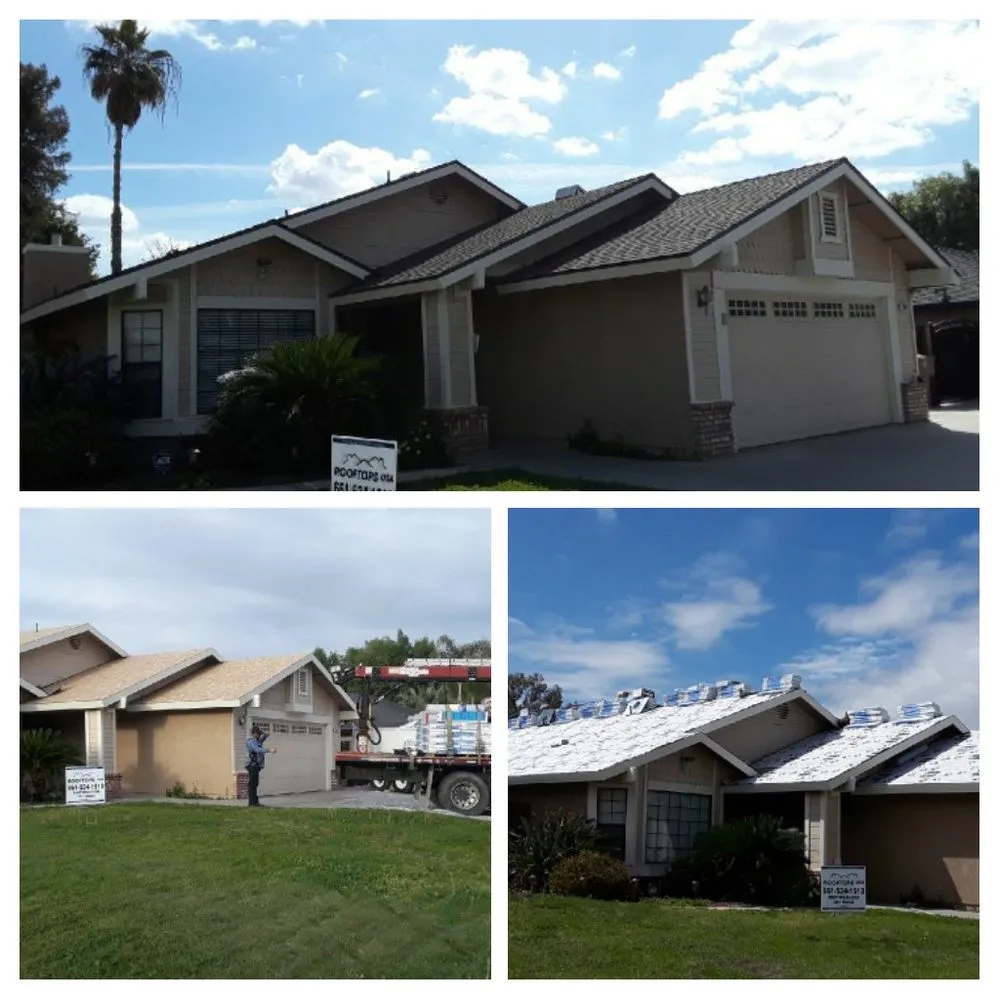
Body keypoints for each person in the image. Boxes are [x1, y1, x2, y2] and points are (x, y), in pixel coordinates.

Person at [245, 725, 276, 807]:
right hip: (252, 765)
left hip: (256, 766)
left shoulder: (257, 741)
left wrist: (262, 732)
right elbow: (258, 750)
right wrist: (269, 750)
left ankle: (255, 802)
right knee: (252, 785)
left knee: (255, 784)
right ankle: (252, 803)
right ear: (254, 734)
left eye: (259, 733)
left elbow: (266, 735)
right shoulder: (251, 742)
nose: (259, 735)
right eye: (258, 733)